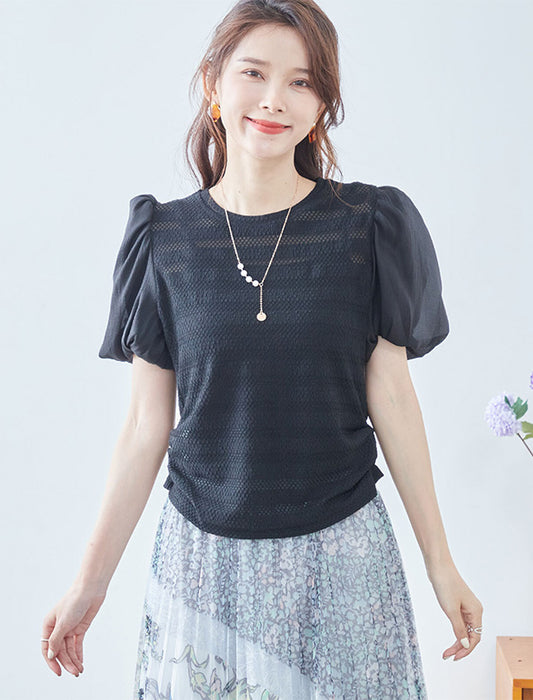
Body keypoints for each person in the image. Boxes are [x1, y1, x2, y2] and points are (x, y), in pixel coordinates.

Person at [41, 1, 483, 697]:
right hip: (202, 564)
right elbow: (144, 426)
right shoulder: (163, 240)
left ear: (322, 105)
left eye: (301, 82)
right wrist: (88, 584)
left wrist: (441, 563)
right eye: (254, 73)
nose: (275, 99)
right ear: (213, 83)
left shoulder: (367, 226)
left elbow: (393, 397)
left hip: (341, 561)